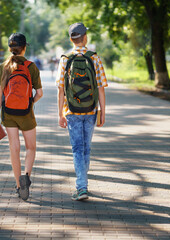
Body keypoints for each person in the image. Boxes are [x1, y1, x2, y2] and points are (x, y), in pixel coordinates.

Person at [56, 23, 108, 201]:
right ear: (85, 37)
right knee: (86, 148)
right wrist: (102, 112)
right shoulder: (94, 58)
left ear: (71, 39)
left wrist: (60, 114)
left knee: (77, 149)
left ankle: (81, 187)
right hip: (91, 109)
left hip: (71, 111)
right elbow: (101, 88)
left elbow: (61, 89)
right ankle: (83, 184)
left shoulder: (65, 59)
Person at [0, 33, 43, 200]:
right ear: (24, 47)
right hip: (26, 113)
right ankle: (26, 176)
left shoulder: (4, 67)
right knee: (31, 148)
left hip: (9, 113)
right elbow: (40, 93)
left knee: (14, 148)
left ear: (9, 48)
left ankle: (19, 186)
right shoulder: (31, 66)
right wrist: (30, 103)